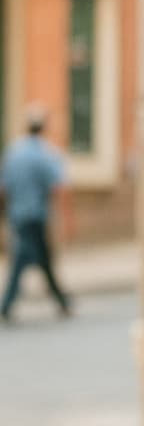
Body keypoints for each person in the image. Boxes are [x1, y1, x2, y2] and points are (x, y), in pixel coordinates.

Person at [1, 104, 73, 322]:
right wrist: (67, 217)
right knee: (26, 259)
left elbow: (4, 189)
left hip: (18, 216)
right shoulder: (46, 153)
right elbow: (59, 187)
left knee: (42, 260)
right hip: (37, 216)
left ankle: (61, 302)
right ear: (43, 128)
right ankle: (6, 304)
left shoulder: (14, 152)